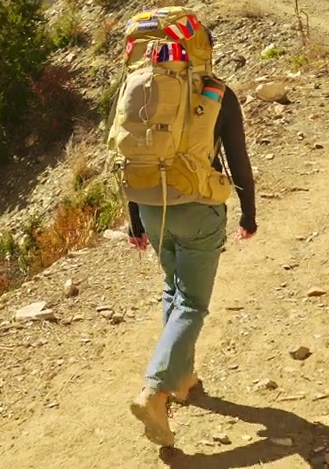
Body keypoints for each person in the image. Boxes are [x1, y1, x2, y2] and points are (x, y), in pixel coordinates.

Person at [126, 77, 257, 447]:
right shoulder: (218, 94)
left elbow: (132, 154)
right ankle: (155, 389)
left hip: (152, 208)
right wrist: (249, 214)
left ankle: (182, 378)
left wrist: (135, 221)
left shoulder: (142, 87)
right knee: (193, 302)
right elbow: (237, 158)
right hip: (198, 208)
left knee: (174, 288)